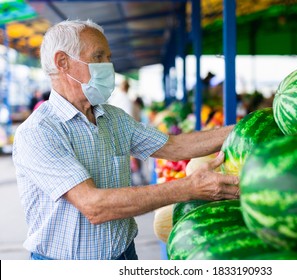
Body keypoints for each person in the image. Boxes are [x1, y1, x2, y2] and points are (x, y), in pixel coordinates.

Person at [12, 19, 239, 260]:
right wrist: (190, 188)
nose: (108, 66)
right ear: (63, 63)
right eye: (99, 57)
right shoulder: (39, 132)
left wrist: (241, 128)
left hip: (125, 255)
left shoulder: (113, 118)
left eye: (109, 58)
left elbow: (174, 146)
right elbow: (94, 206)